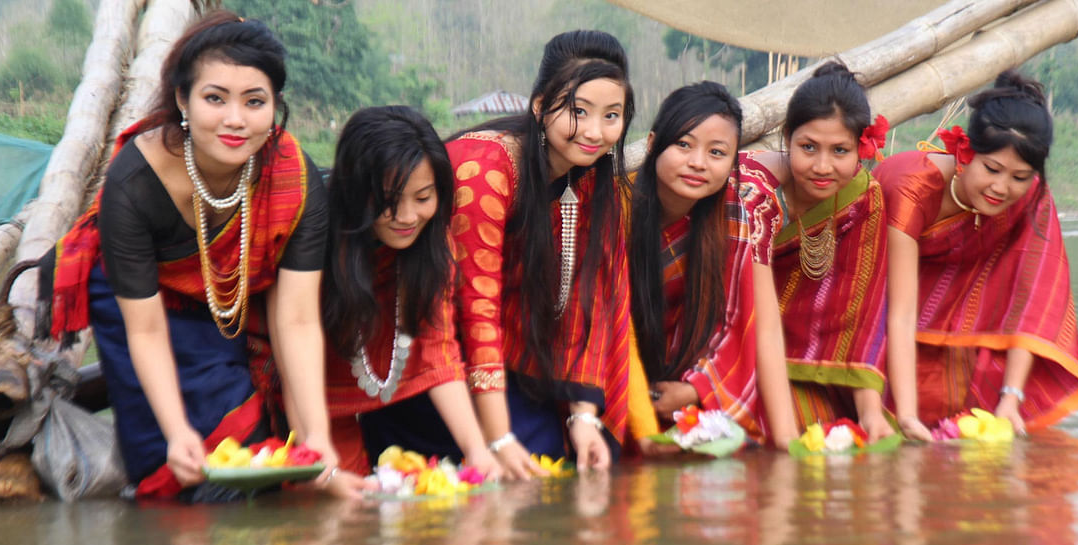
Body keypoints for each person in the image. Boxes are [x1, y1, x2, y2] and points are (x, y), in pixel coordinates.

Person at [50, 11, 364, 499]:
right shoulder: (135, 181)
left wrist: (317, 440)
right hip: (137, 303)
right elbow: (147, 328)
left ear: (275, 107)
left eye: (254, 102)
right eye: (215, 99)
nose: (235, 119)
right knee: (177, 457)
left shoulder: (293, 179)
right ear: (183, 100)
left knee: (257, 452)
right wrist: (177, 433)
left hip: (231, 302)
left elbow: (298, 320)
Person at [446, 30, 635, 471]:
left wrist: (581, 415)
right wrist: (498, 440)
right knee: (521, 466)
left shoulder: (589, 177)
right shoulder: (486, 168)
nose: (594, 132)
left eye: (612, 115)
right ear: (539, 106)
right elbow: (477, 308)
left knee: (586, 453)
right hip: (439, 363)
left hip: (517, 364)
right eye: (578, 111)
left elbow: (590, 296)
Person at [876, 70, 1078, 439]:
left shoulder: (1031, 198)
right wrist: (906, 416)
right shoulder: (911, 188)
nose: (1002, 188)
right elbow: (901, 311)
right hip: (880, 317)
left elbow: (1032, 303)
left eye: (1020, 177)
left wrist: (1010, 399)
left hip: (956, 334)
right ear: (964, 151)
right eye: (992, 169)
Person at [319, 106, 505, 480]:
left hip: (388, 404)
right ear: (354, 191)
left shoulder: (434, 244)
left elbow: (439, 351)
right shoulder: (315, 236)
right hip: (305, 404)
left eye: (423, 198)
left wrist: (477, 450)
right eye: (388, 202)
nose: (406, 217)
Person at [628, 81, 798, 449]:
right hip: (619, 375)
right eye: (684, 145)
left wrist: (694, 390)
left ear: (733, 162)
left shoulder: (735, 215)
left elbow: (742, 323)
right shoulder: (618, 207)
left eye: (717, 152)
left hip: (690, 383)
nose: (698, 163)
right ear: (654, 142)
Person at [740, 62, 895, 441]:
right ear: (787, 137)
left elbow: (861, 312)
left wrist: (871, 413)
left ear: (860, 148)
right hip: (740, 355)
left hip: (819, 370)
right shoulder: (749, 189)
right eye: (808, 147)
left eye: (839, 150)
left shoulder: (863, 198)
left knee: (863, 441)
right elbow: (741, 309)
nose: (822, 166)